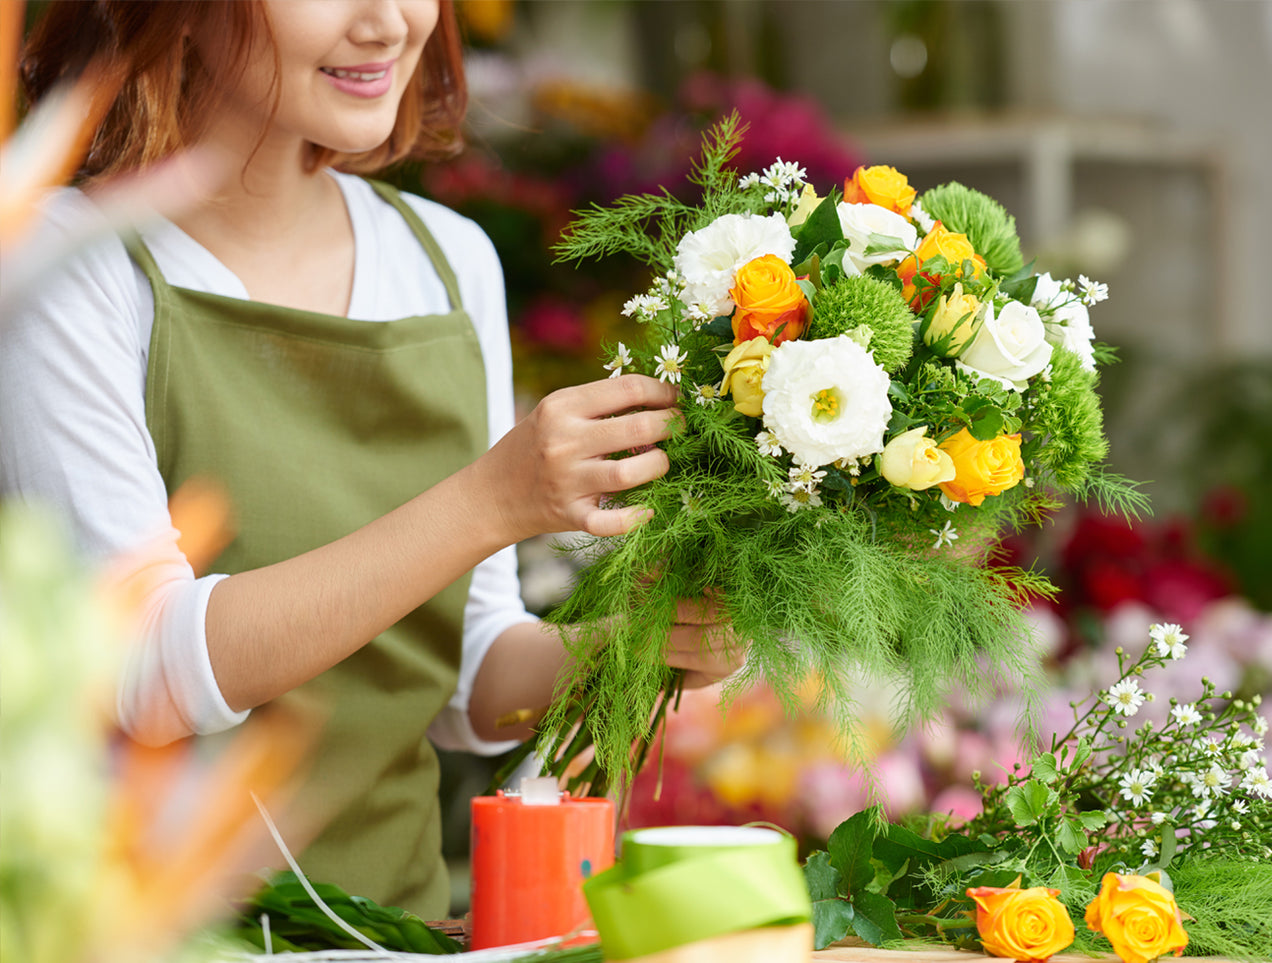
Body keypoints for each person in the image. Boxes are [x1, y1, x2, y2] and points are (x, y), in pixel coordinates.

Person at [1, 0, 737, 917]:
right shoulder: (70, 264)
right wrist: (490, 501)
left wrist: (635, 643)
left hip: (404, 926)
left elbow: (463, 674)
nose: (390, 22)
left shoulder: (444, 259)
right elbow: (140, 669)